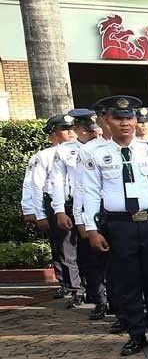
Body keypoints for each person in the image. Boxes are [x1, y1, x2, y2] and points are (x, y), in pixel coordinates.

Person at [82, 95, 148, 356]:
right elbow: (90, 192)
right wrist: (91, 228)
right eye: (118, 118)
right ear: (106, 120)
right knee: (127, 280)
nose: (125, 123)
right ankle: (136, 333)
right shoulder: (95, 153)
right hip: (119, 225)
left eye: (130, 118)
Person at [30, 115, 82, 304]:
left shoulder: (82, 149)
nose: (70, 132)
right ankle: (73, 287)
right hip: (57, 205)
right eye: (64, 129)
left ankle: (89, 286)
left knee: (86, 250)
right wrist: (38, 213)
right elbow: (35, 186)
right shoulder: (44, 155)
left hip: (79, 204)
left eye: (72, 128)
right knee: (66, 250)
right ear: (53, 133)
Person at [64, 108, 109, 320]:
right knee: (93, 261)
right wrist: (82, 219)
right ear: (79, 130)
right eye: (89, 130)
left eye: (95, 130)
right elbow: (81, 188)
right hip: (91, 211)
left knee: (113, 262)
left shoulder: (111, 147)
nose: (94, 134)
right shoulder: (84, 152)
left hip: (110, 210)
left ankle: (116, 304)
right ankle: (100, 301)